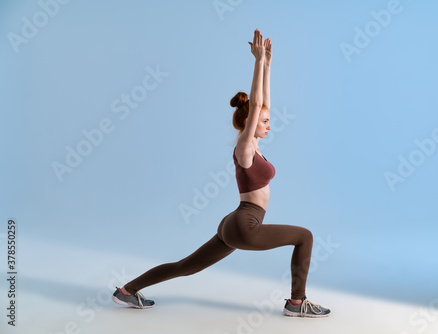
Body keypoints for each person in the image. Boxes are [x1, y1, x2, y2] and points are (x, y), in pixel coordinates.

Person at [112, 29, 330, 318]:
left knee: (184, 267)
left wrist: (267, 65)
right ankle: (296, 302)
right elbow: (255, 106)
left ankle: (126, 291)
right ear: (250, 122)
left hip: (234, 222)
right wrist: (255, 64)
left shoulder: (255, 146)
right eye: (264, 121)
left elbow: (261, 102)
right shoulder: (244, 147)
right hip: (245, 225)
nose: (269, 123)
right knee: (305, 236)